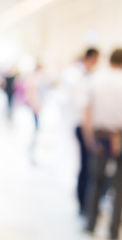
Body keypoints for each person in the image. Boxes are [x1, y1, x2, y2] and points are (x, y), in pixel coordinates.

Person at [84, 49, 122, 240]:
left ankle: (90, 224)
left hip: (100, 136)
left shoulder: (96, 80)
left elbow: (87, 111)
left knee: (96, 181)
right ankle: (113, 231)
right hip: (120, 136)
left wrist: (88, 136)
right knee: (120, 186)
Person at [62, 48, 100, 215]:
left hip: (82, 123)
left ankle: (86, 203)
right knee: (87, 167)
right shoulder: (78, 76)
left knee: (87, 166)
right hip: (82, 125)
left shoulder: (85, 76)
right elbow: (82, 104)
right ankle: (84, 204)